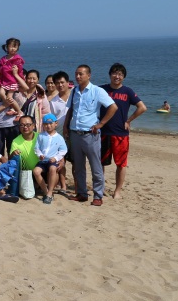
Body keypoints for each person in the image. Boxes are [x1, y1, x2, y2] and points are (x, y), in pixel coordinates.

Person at [64, 65, 117, 206]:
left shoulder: (97, 91)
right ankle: (82, 193)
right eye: (76, 74)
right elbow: (70, 110)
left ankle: (98, 195)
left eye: (81, 74)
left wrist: (101, 124)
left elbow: (113, 107)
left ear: (89, 75)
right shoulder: (74, 91)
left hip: (90, 135)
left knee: (96, 167)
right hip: (75, 133)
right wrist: (65, 127)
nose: (78, 76)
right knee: (78, 167)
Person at [101, 63, 147, 199]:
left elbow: (142, 107)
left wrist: (129, 120)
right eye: (115, 73)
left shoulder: (127, 91)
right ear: (110, 75)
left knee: (121, 164)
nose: (117, 76)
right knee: (100, 163)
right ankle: (100, 188)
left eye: (120, 74)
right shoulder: (102, 90)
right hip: (103, 132)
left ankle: (117, 191)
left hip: (120, 134)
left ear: (124, 77)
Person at [33, 114, 67, 203]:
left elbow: (63, 150)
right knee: (36, 171)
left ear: (56, 123)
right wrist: (40, 155)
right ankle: (46, 191)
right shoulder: (41, 136)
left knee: (52, 169)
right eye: (45, 124)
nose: (48, 126)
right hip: (43, 160)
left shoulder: (59, 138)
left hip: (52, 161)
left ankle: (50, 192)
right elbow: (36, 148)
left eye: (50, 123)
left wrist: (56, 158)